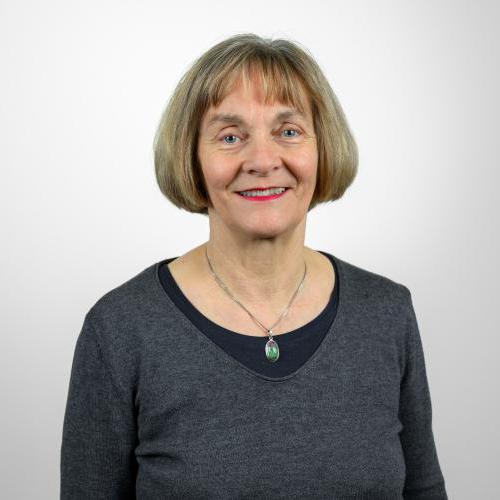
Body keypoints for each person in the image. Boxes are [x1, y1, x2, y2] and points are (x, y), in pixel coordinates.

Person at [60, 33, 448, 499]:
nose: (263, 161)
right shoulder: (120, 329)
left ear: (323, 147)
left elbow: (424, 489)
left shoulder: (387, 312)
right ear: (191, 157)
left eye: (289, 131)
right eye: (230, 137)